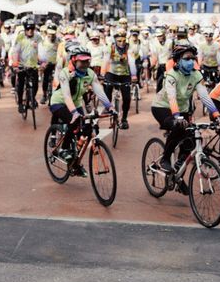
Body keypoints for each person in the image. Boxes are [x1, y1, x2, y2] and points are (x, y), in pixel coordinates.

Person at [151, 44, 220, 173]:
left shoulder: (196, 75)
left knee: (192, 136)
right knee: (178, 127)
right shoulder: (171, 75)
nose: (191, 62)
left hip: (182, 109)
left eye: (193, 58)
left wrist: (217, 115)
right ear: (177, 60)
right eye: (187, 58)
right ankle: (165, 159)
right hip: (162, 107)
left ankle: (179, 168)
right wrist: (177, 116)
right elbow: (172, 98)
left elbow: (205, 96)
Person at [49, 45, 113, 177]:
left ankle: (75, 163)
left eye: (87, 61)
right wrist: (74, 113)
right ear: (73, 59)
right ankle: (64, 148)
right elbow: (66, 96)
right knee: (74, 122)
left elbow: (99, 91)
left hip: (76, 103)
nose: (85, 64)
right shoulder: (65, 73)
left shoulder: (90, 74)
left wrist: (110, 107)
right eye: (82, 61)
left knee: (86, 130)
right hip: (59, 103)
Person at [103, 29, 138, 130]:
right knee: (107, 89)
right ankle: (109, 109)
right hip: (111, 73)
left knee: (127, 98)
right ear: (115, 40)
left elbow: (131, 62)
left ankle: (124, 119)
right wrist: (102, 74)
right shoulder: (110, 48)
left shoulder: (129, 48)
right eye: (119, 41)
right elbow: (105, 62)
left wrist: (134, 75)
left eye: (123, 41)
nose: (121, 43)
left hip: (124, 74)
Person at [11, 18, 42, 113]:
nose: (30, 31)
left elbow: (42, 50)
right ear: (25, 29)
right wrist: (15, 65)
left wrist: (43, 62)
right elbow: (15, 51)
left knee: (36, 85)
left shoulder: (38, 37)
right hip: (22, 65)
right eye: (28, 29)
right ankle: (20, 103)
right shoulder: (20, 37)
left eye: (32, 29)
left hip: (33, 65)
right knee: (20, 84)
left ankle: (31, 99)